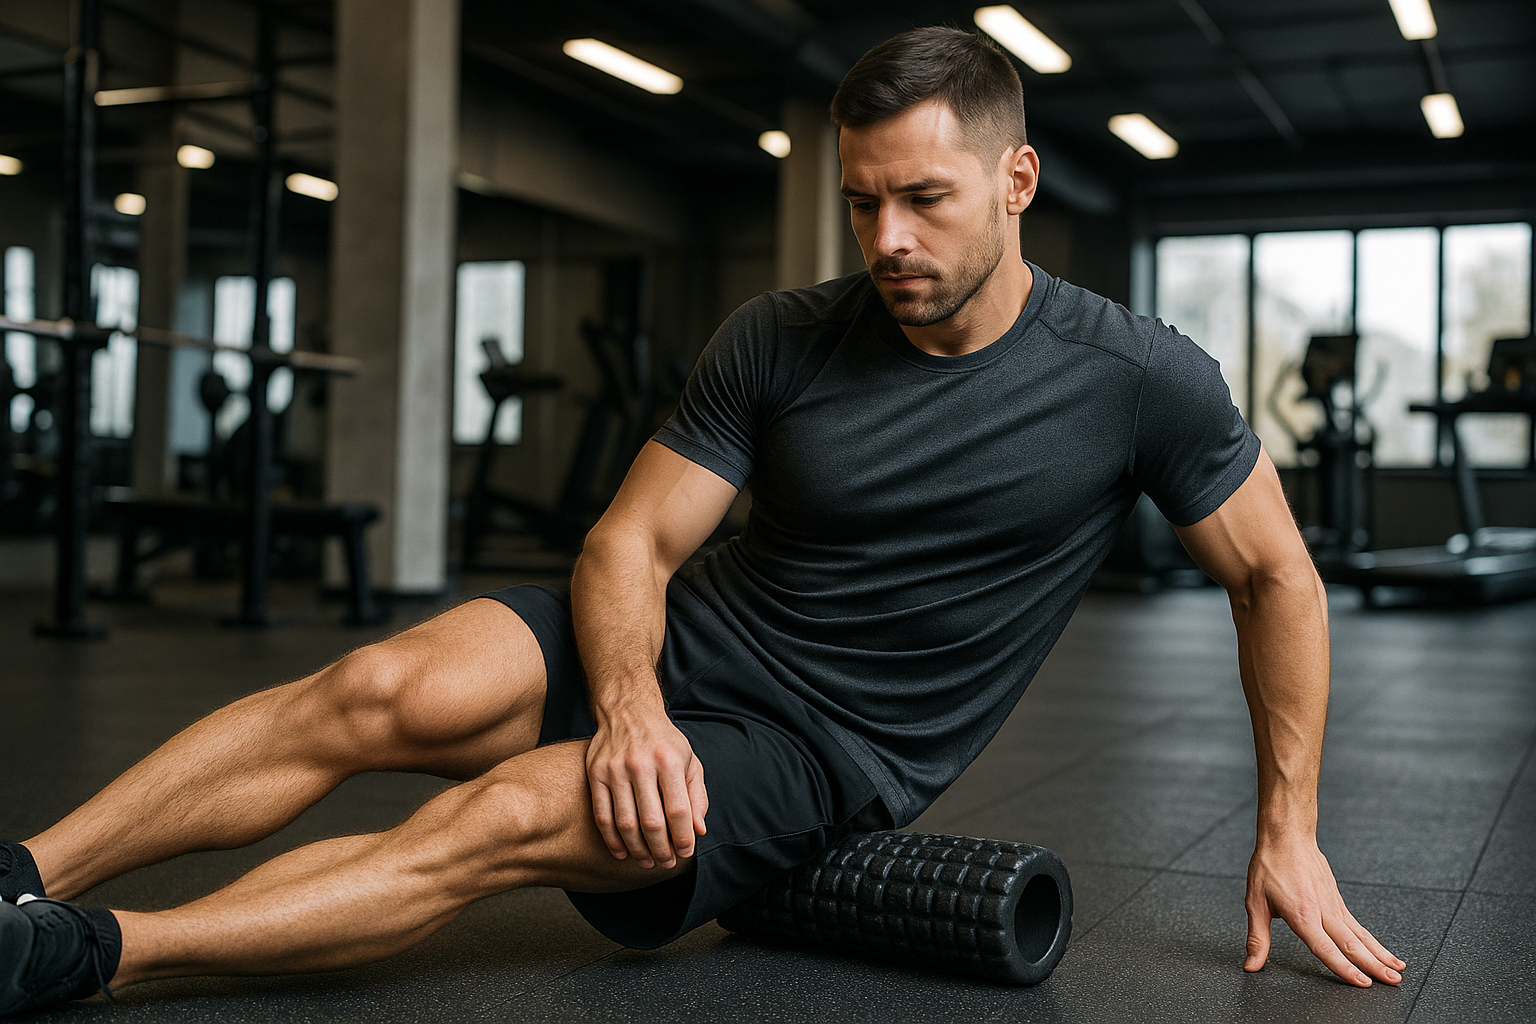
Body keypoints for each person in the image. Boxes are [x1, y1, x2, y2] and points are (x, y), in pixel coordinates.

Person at [0, 26, 1403, 1017]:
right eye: (864, 204)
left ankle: (88, 956)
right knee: (370, 685)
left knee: (490, 820)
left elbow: (1276, 575)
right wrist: (625, 702)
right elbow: (629, 547)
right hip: (672, 650)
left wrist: (1286, 826)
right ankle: (24, 874)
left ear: (1016, 185)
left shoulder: (1137, 379)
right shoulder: (783, 335)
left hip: (815, 750)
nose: (888, 240)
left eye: (925, 199)